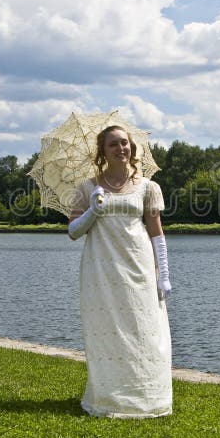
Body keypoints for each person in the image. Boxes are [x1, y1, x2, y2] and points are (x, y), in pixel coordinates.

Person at [67, 125, 173, 418]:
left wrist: (163, 274)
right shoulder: (88, 188)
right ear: (103, 151)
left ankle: (148, 398)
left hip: (138, 266)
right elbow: (73, 232)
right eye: (113, 144)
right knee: (109, 331)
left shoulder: (148, 187)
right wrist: (92, 210)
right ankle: (110, 398)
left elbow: (157, 233)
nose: (121, 148)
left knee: (144, 329)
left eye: (124, 143)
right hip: (101, 269)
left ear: (132, 147)